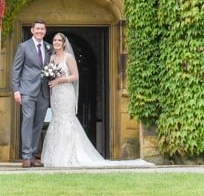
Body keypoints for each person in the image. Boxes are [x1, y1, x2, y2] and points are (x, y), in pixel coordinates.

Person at [39, 32, 151, 169]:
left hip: (66, 93)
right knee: (56, 120)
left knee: (67, 120)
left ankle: (69, 155)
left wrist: (60, 80)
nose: (56, 42)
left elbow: (75, 76)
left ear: (63, 43)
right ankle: (54, 155)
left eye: (59, 40)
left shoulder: (68, 58)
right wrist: (52, 81)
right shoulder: (51, 58)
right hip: (55, 94)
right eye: (54, 40)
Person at [11, 20, 51, 168]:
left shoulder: (49, 48)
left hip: (44, 91)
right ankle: (26, 156)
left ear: (45, 31)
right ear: (32, 30)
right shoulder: (23, 47)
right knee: (28, 119)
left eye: (42, 29)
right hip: (27, 90)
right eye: (38, 29)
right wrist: (16, 90)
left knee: (38, 123)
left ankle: (33, 155)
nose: (40, 31)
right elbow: (16, 70)